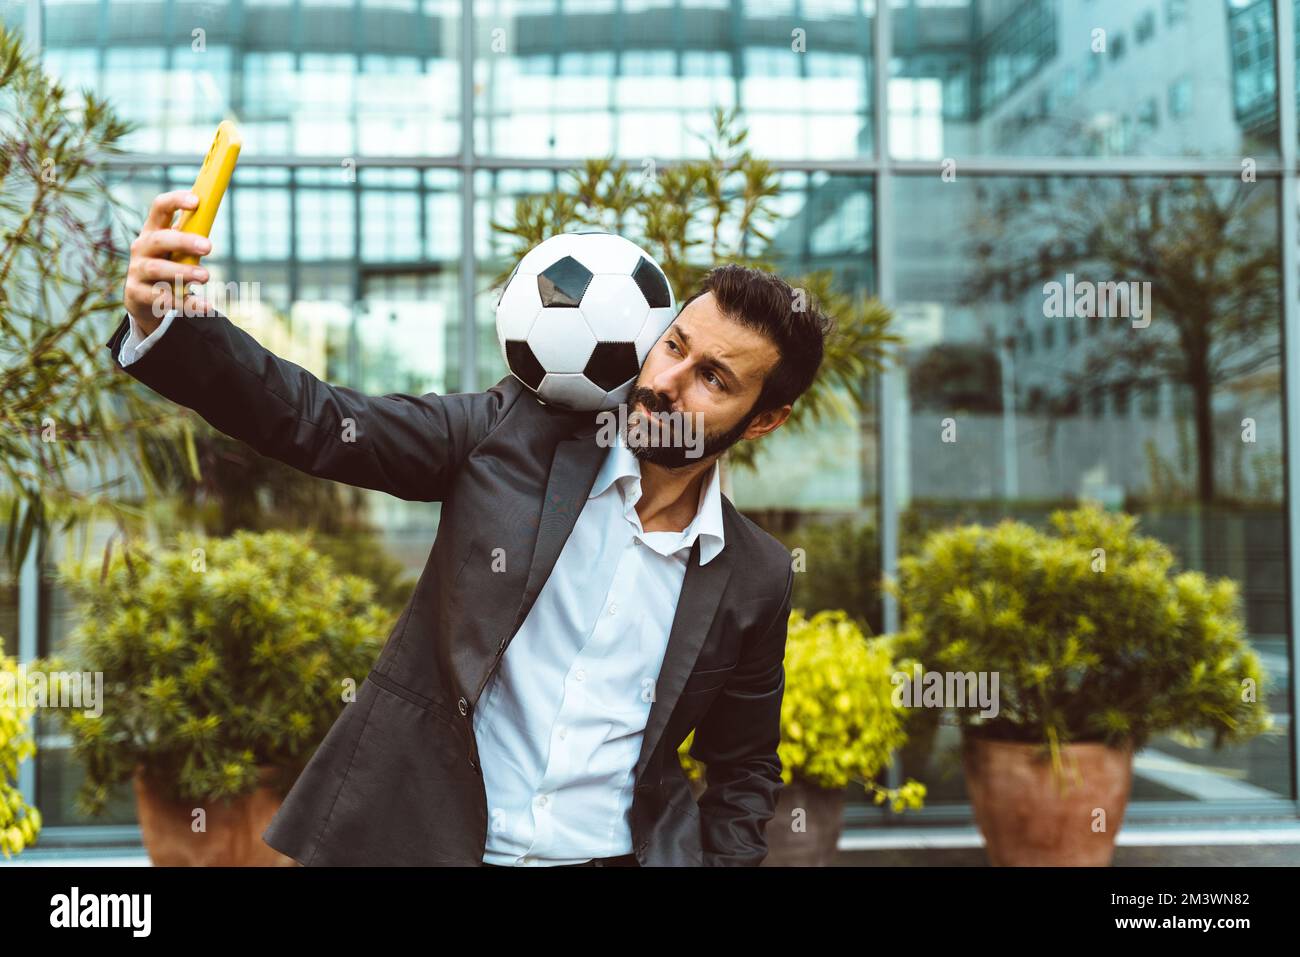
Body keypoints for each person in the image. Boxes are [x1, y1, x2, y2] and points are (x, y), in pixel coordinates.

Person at [111, 190, 834, 866]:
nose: (669, 381)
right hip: (429, 844)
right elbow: (320, 422)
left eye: (714, 378)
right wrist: (169, 323)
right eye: (674, 345)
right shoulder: (511, 436)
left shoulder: (756, 574)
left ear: (765, 419)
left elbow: (742, 768)